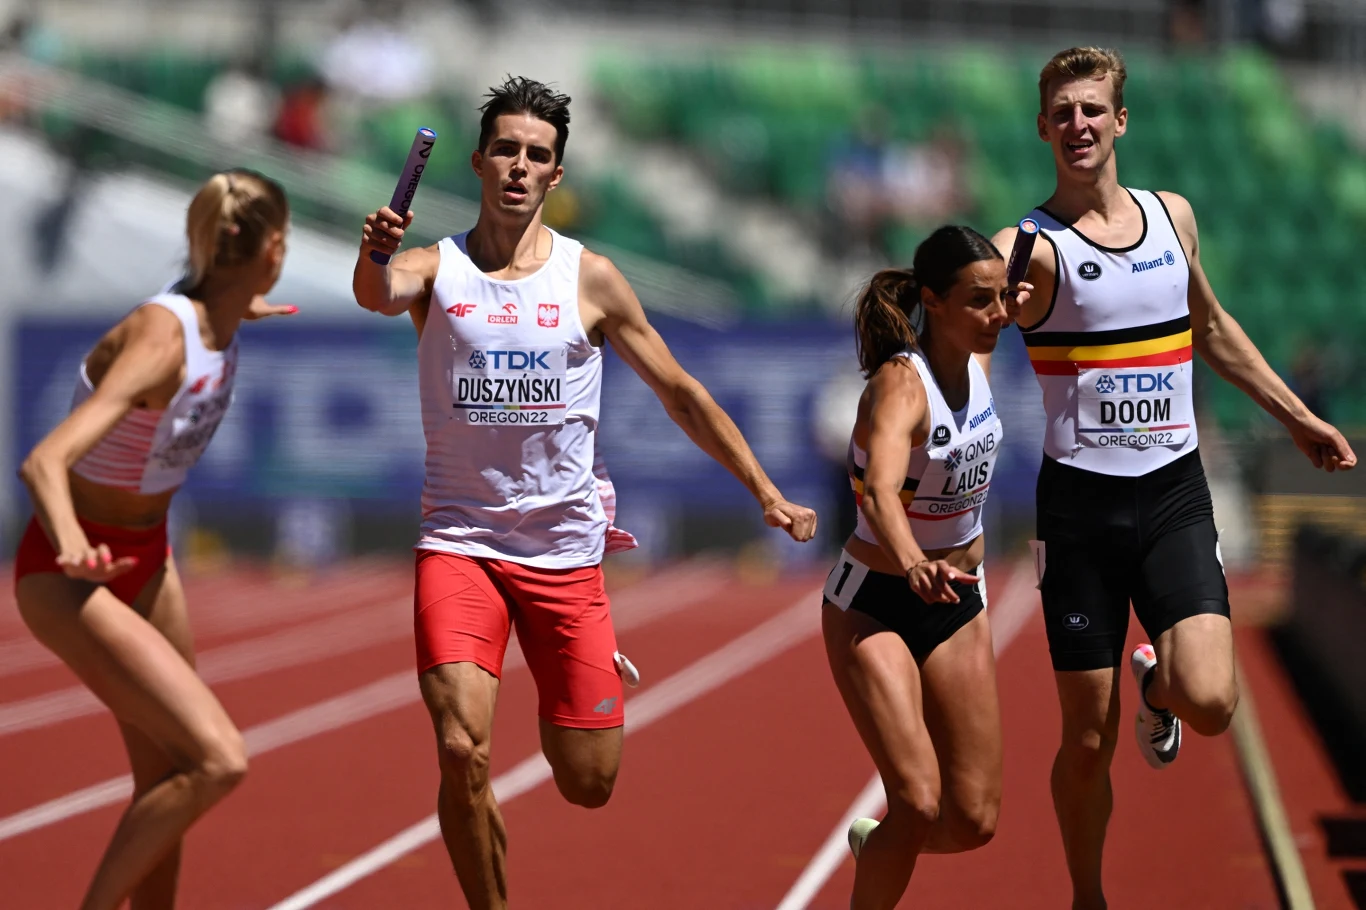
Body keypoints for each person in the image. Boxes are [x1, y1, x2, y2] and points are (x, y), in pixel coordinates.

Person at [352, 76, 818, 910]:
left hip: (564, 556)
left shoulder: (590, 279)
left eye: (538, 155)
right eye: (506, 150)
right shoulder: (435, 267)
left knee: (589, 782)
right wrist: (374, 250)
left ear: (556, 176)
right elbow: (374, 293)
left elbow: (680, 392)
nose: (520, 168)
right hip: (461, 544)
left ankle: (573, 677)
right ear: (480, 160)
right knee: (462, 749)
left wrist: (764, 490)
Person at [992, 46, 1357, 910]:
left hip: (1172, 492)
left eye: (1092, 110)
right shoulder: (1030, 247)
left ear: (1120, 121)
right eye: (1062, 114)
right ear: (1043, 129)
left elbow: (1215, 328)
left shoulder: (1172, 219)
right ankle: (1088, 895)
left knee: (1212, 698)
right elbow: (962, 287)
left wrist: (1296, 416)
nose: (1077, 125)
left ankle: (1156, 683)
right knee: (1086, 739)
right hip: (1078, 512)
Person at [14, 168, 297, 910]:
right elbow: (44, 460)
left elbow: (211, 296)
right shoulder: (160, 342)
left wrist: (241, 305)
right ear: (273, 248)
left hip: (148, 554)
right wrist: (72, 541)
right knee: (217, 762)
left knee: (168, 784)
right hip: (72, 571)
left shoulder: (220, 312)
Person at [824, 226, 1027, 909]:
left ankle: (876, 845)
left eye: (1004, 299)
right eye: (981, 301)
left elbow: (1009, 247)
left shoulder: (981, 360)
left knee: (972, 822)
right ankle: (891, 845)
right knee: (915, 799)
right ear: (933, 302)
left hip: (958, 602)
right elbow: (880, 491)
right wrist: (913, 562)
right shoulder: (899, 387)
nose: (999, 315)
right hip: (874, 602)